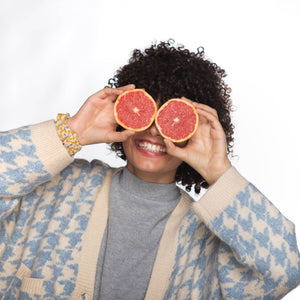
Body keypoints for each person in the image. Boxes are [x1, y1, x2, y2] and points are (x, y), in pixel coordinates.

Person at [0, 40, 299, 300]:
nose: (154, 130)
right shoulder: (57, 185)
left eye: (171, 117)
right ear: (123, 115)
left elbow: (284, 270)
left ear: (194, 132)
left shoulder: (209, 238)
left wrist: (218, 171)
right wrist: (72, 132)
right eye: (145, 112)